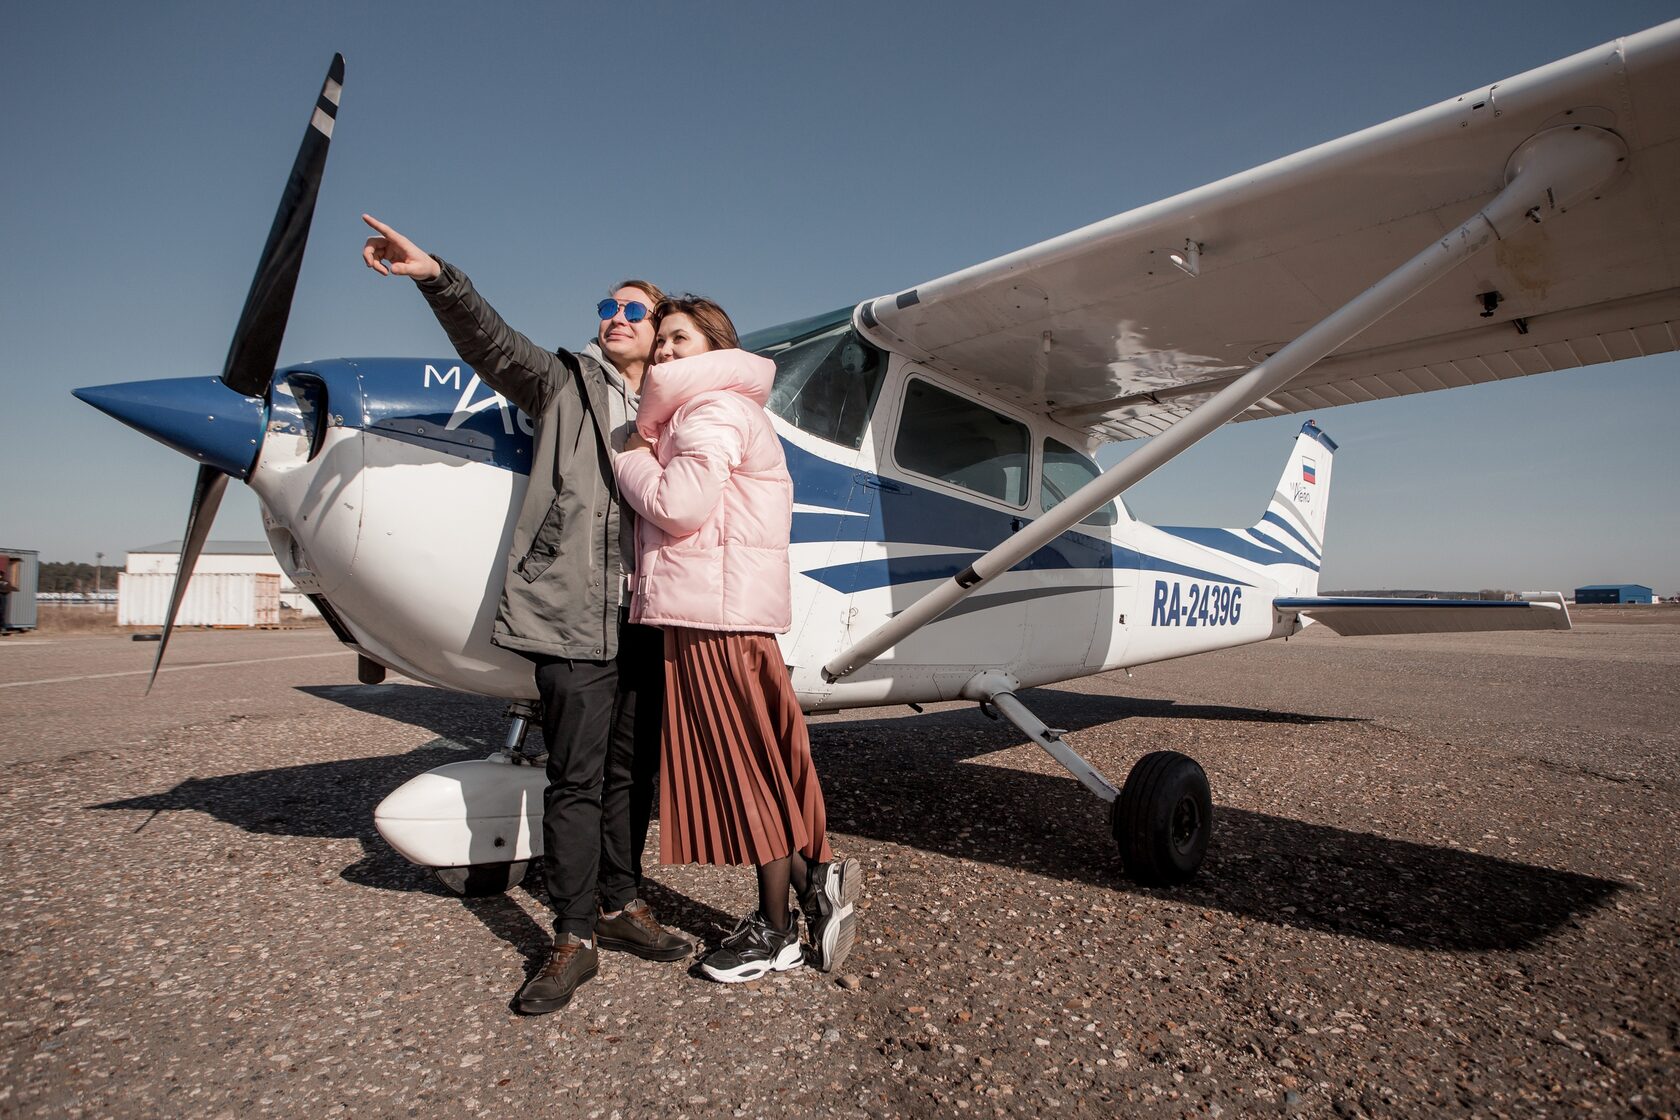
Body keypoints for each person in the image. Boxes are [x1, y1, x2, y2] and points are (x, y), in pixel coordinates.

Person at [361, 215, 690, 1015]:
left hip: (647, 616)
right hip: (571, 617)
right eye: (607, 306)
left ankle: (622, 902)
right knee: (576, 782)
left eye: (634, 311)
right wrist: (437, 276)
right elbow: (492, 346)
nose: (614, 316)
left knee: (632, 775)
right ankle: (574, 935)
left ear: (660, 337)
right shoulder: (564, 382)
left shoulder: (679, 409)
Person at [612, 296, 860, 983]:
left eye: (678, 339)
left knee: (744, 774)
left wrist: (630, 458)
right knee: (769, 766)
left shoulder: (710, 409)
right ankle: (815, 883)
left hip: (713, 620)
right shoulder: (723, 408)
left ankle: (775, 932)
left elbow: (678, 505)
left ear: (716, 347)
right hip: (729, 615)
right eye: (659, 342)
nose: (662, 352)